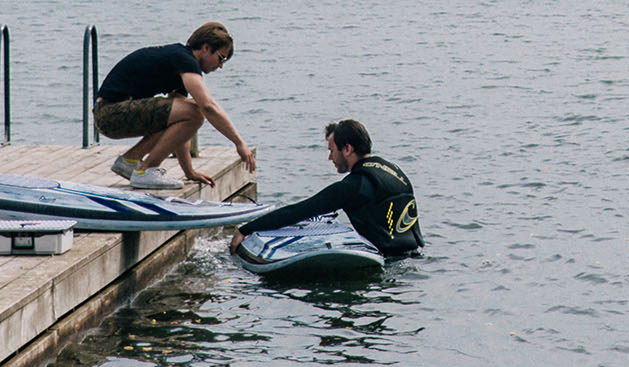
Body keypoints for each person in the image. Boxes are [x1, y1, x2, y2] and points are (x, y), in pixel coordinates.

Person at [93, 21, 257, 190]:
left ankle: (130, 161)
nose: (221, 66)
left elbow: (182, 128)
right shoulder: (184, 59)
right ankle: (145, 171)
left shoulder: (180, 66)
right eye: (221, 58)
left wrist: (189, 171)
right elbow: (208, 106)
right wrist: (239, 143)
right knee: (195, 110)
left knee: (186, 112)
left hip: (110, 113)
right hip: (109, 112)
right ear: (206, 48)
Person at [230, 119, 423, 257]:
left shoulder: (354, 186)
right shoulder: (395, 171)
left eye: (332, 150)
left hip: (386, 260)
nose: (330, 158)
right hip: (414, 254)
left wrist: (246, 229)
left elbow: (300, 210)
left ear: (347, 149)